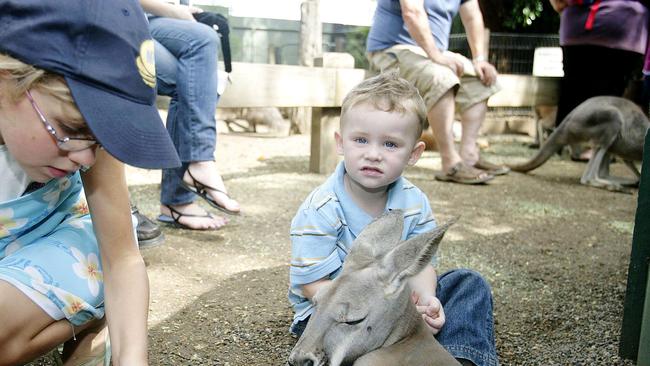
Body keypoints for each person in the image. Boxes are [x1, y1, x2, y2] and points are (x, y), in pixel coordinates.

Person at [0, 0, 181, 364]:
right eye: (70, 129)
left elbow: (123, 259)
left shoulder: (86, 140)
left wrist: (132, 357)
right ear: (9, 77)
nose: (86, 158)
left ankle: (93, 317)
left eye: (100, 138)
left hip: (65, 236)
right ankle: (87, 318)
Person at [288, 72, 498, 366]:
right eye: (361, 140)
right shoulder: (320, 208)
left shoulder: (414, 201)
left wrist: (426, 300)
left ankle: (465, 357)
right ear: (340, 143)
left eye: (390, 145)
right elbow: (312, 284)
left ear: (414, 153)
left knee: (468, 283)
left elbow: (419, 264)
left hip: (402, 307)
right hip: (336, 315)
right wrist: (369, 309)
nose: (373, 154)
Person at [366, 0, 508, 185]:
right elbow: (412, 11)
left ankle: (469, 156)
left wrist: (479, 59)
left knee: (481, 79)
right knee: (441, 77)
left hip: (433, 52)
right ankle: (450, 162)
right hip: (392, 48)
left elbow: (473, 16)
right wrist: (435, 55)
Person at [139, 0, 240, 231]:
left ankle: (178, 198)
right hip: (118, 17)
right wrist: (175, 11)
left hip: (153, 20)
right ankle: (198, 166)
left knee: (192, 79)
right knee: (202, 43)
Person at [548, 0, 649, 160]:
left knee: (578, 91)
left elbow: (559, 3)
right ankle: (591, 149)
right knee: (609, 95)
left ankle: (581, 148)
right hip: (628, 27)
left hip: (585, 28)